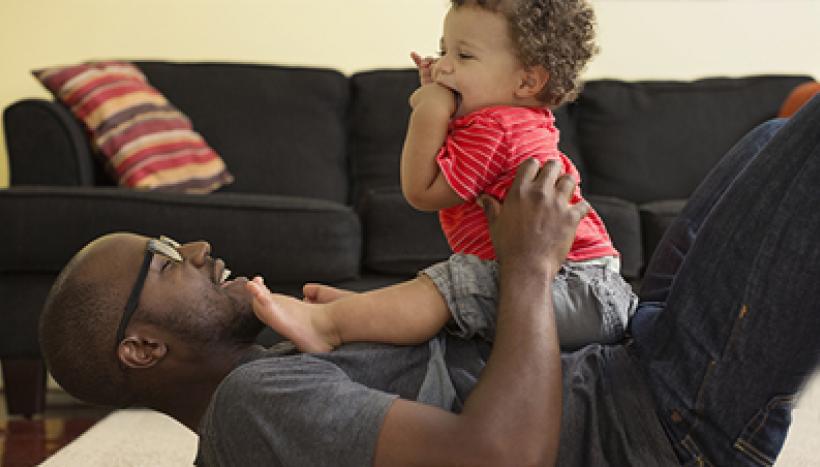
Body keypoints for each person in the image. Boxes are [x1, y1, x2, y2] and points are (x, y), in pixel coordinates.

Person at [39, 94, 820, 466]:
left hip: (629, 355)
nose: (201, 245)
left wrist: (375, 325)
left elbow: (439, 386)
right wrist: (527, 264)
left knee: (775, 136)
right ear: (141, 346)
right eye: (169, 257)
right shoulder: (252, 406)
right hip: (660, 420)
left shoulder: (270, 383)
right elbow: (501, 455)